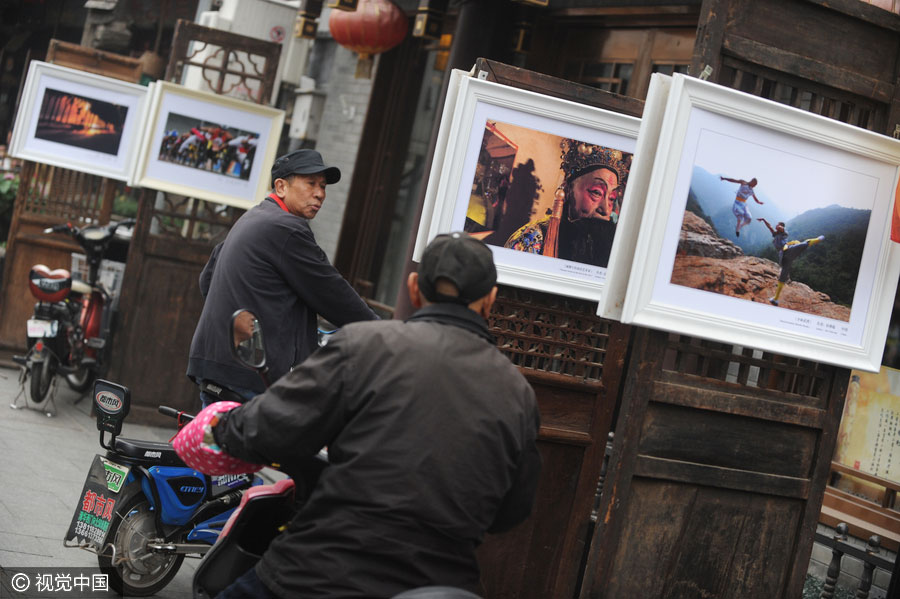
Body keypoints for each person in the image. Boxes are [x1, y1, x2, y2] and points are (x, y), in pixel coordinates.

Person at [180, 232, 542, 599]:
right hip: (441, 584)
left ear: (415, 288)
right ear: (490, 300)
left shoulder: (364, 346)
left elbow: (271, 427)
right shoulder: (517, 393)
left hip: (321, 573)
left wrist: (219, 428)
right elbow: (510, 512)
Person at [187, 149, 378, 407]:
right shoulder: (287, 229)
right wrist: (384, 332)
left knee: (215, 447)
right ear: (281, 186)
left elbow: (207, 280)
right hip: (250, 377)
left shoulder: (253, 217)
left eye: (323, 186)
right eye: (310, 183)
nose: (320, 193)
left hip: (215, 366)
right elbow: (332, 293)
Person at [504, 139, 631, 268]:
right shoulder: (531, 240)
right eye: (596, 193)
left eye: (611, 198)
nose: (606, 210)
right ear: (568, 190)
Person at [769, 235, 825, 306]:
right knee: (782, 278)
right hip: (786, 259)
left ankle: (818, 239)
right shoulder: (784, 248)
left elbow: (803, 243)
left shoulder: (790, 245)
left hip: (789, 252)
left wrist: (817, 239)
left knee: (805, 243)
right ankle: (776, 298)